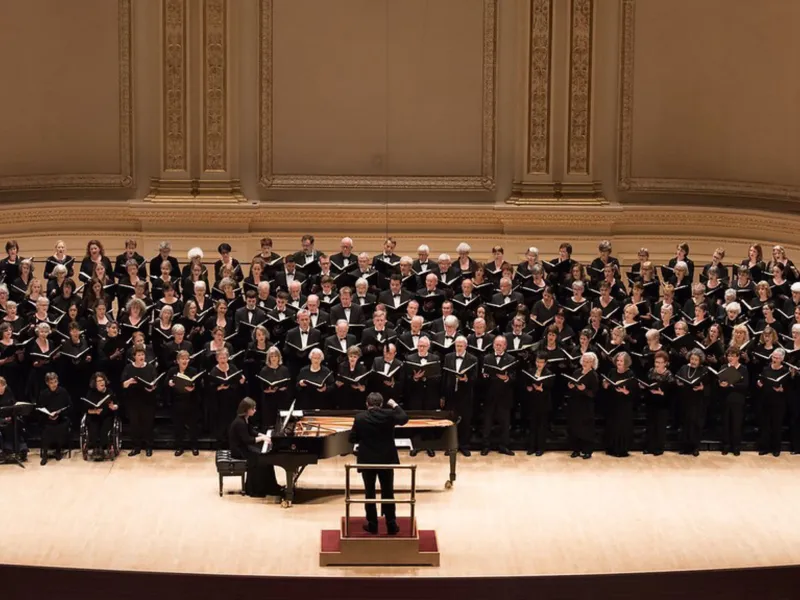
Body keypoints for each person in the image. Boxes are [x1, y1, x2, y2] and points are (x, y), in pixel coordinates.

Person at [348, 392, 409, 535]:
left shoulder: (360, 418)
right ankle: (391, 524)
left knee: (369, 492)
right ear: (381, 404)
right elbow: (404, 418)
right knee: (388, 491)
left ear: (367, 404)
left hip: (367, 460)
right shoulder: (389, 415)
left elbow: (352, 438)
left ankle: (373, 524)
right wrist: (394, 405)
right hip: (386, 459)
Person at [228, 398, 283, 498]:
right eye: (253, 409)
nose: (255, 410)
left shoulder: (245, 418)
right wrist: (262, 438)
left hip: (243, 447)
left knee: (266, 458)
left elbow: (252, 431)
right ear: (246, 410)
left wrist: (263, 435)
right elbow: (247, 440)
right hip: (238, 451)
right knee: (260, 459)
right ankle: (256, 489)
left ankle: (271, 487)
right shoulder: (239, 422)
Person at [83, 372, 119, 460]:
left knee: (104, 431)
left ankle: (103, 448)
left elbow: (117, 404)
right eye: (98, 381)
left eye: (102, 380)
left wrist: (114, 407)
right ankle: (95, 448)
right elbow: (86, 409)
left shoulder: (109, 392)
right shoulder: (91, 393)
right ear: (95, 383)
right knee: (93, 430)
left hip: (107, 416)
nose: (101, 382)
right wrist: (94, 411)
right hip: (94, 416)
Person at [38, 372, 71, 465]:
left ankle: (58, 451)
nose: (54, 384)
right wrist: (47, 415)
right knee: (46, 428)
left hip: (61, 417)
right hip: (47, 418)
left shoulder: (63, 392)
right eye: (51, 382)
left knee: (61, 427)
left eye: (55, 382)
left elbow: (69, 406)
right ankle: (45, 454)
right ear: (47, 383)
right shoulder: (43, 394)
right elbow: (39, 408)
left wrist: (59, 413)